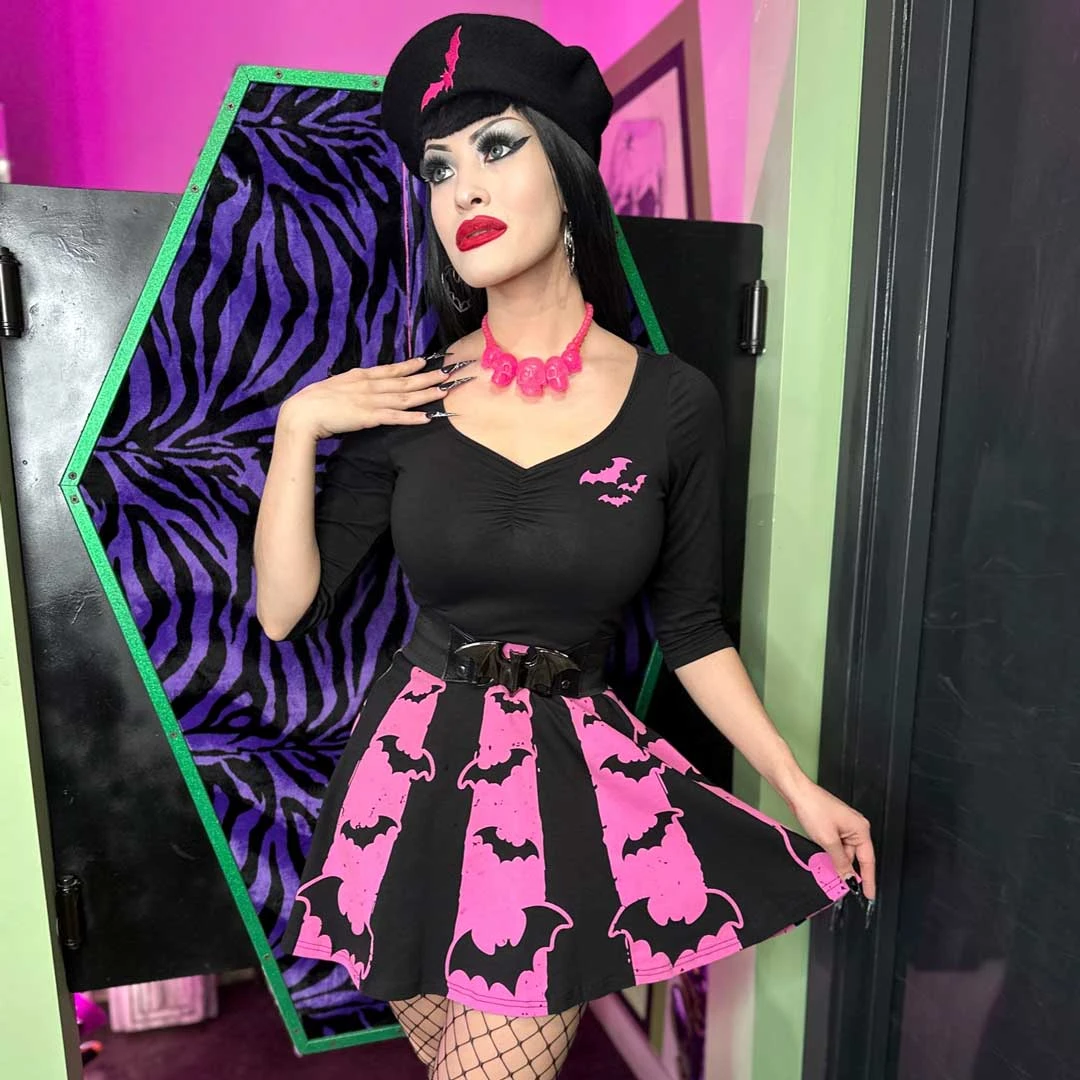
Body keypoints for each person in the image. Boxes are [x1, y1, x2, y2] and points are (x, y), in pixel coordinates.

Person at [254, 13, 876, 1079]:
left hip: (560, 789)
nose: (464, 191)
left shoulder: (673, 402)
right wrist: (297, 427)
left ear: (568, 167)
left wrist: (792, 784)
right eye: (438, 169)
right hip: (405, 786)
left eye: (497, 147)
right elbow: (280, 611)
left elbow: (691, 629)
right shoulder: (408, 397)